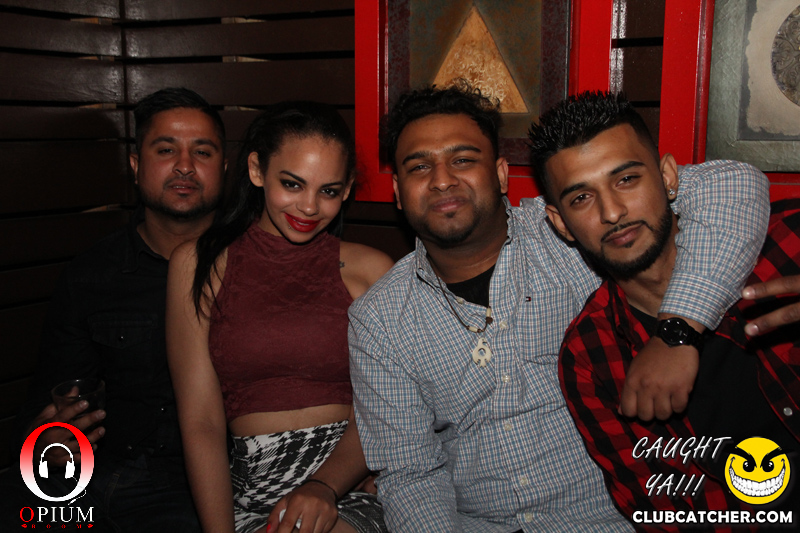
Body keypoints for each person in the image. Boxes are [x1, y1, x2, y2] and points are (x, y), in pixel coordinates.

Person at [347, 82, 771, 532]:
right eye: (419, 167)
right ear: (398, 190)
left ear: (502, 174)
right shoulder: (379, 318)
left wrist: (676, 331)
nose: (442, 180)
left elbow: (732, 184)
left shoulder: (572, 225)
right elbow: (410, 474)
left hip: (612, 521)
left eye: (463, 160)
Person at [529, 91, 799, 528]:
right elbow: (664, 511)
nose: (612, 212)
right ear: (561, 224)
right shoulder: (593, 354)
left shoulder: (786, 243)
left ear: (669, 177)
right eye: (581, 198)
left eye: (626, 179)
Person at [167, 101, 394, 533]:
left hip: (347, 485)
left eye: (328, 191)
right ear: (257, 170)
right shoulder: (198, 265)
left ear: (347, 189)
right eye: (292, 184)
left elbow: (389, 407)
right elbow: (201, 422)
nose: (308, 207)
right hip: (248, 493)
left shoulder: (371, 270)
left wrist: (327, 485)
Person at [10, 87, 226, 531]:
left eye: (202, 152)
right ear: (135, 165)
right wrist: (47, 437)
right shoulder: (92, 274)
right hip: (96, 474)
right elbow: (46, 404)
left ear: (225, 169)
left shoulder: (250, 267)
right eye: (165, 149)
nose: (185, 165)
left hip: (199, 485)